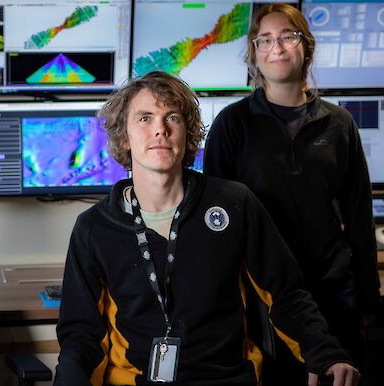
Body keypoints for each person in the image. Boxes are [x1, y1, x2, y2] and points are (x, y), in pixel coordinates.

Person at [53, 71, 360, 386]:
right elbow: (81, 334)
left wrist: (326, 353)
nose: (160, 129)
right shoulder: (94, 228)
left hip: (227, 379)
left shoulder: (235, 203)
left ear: (187, 132)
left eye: (172, 117)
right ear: (124, 137)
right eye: (145, 119)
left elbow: (286, 294)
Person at [203, 3, 381, 384]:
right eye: (265, 39)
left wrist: (369, 296)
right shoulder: (233, 124)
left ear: (307, 47)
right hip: (263, 298)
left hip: (333, 291)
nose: (277, 47)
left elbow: (359, 215)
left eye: (288, 36)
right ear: (253, 53)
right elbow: (212, 221)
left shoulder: (339, 123)